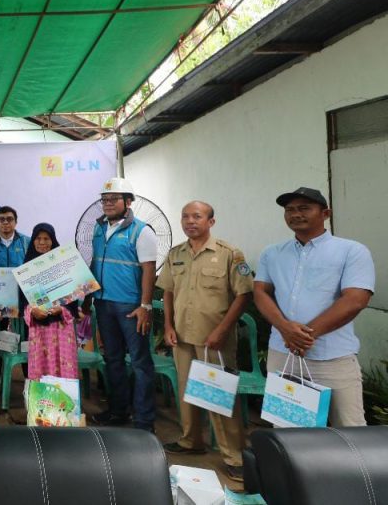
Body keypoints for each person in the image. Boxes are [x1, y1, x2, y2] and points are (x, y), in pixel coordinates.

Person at [254, 187, 375, 427]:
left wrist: (304, 336)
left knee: (350, 429)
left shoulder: (351, 251)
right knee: (288, 428)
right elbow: (260, 292)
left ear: (325, 213)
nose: (295, 214)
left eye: (304, 208)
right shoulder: (272, 253)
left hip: (333, 358)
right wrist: (285, 329)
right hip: (283, 354)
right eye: (289, 209)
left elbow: (356, 299)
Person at [158, 201, 251, 480]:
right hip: (182, 336)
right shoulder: (176, 254)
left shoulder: (229, 254)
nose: (190, 221)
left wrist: (222, 330)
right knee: (187, 392)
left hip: (214, 340)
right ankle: (191, 441)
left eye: (197, 216)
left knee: (218, 396)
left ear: (211, 221)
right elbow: (168, 292)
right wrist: (168, 326)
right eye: (185, 216)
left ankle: (234, 456)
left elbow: (243, 295)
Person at [84, 177, 158, 431]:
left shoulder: (142, 231)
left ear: (128, 201)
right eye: (104, 199)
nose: (107, 203)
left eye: (113, 199)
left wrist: (145, 306)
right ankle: (118, 412)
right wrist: (87, 299)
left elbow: (149, 270)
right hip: (103, 305)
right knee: (112, 359)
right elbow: (95, 263)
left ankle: (144, 421)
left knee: (140, 363)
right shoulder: (98, 229)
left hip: (131, 308)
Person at [21, 223, 79, 381]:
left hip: (62, 327)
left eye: (46, 238)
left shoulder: (64, 266)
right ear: (33, 241)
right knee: (40, 366)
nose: (42, 242)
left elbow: (73, 299)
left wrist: (62, 309)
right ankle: (41, 397)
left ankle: (65, 397)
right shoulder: (26, 269)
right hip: (39, 328)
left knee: (64, 364)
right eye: (38, 238)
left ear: (53, 241)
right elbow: (22, 299)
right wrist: (32, 310)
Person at [0, 206, 30, 380]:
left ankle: (29, 375)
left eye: (9, 219)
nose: (6, 222)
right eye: (1, 219)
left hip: (23, 298)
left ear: (15, 222)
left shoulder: (26, 242)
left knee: (26, 337)